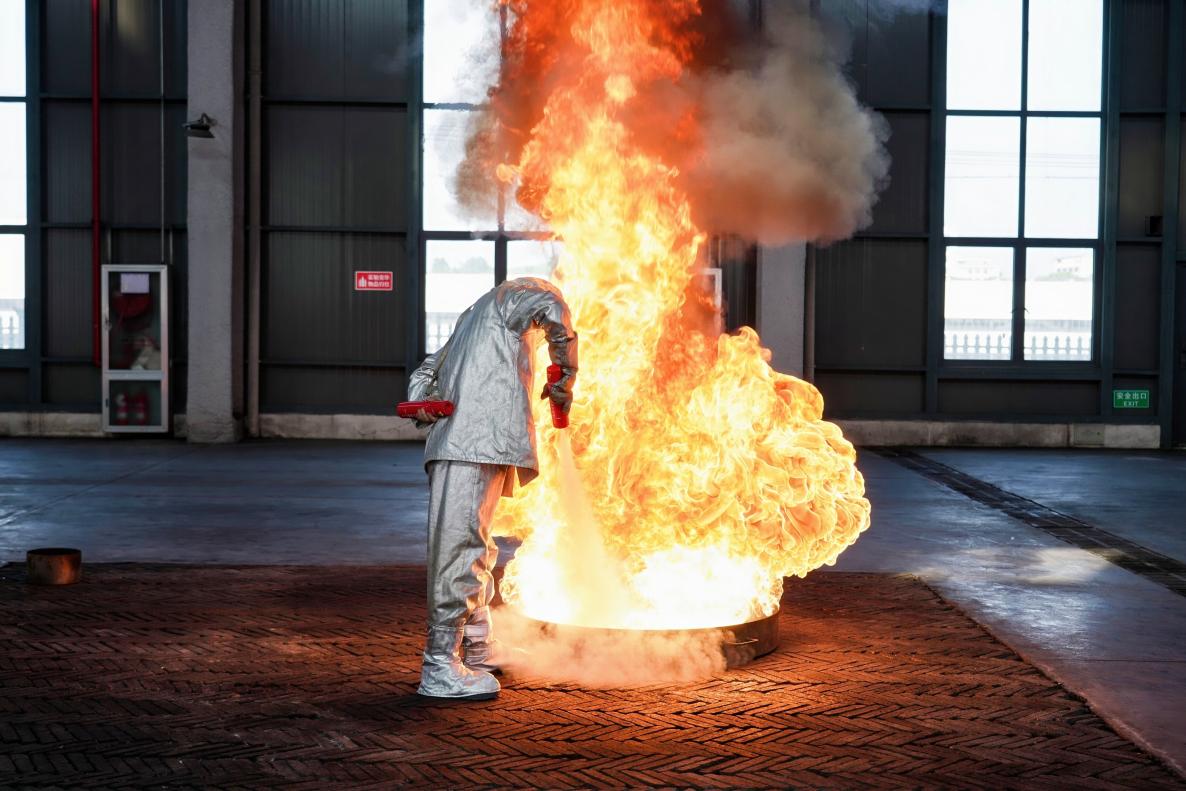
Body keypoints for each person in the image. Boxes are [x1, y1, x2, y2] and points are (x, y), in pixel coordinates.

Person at [404, 277, 577, 700]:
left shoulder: (472, 319)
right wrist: (564, 380)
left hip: (478, 443)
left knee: (477, 547)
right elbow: (554, 310)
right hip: (472, 444)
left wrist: (423, 403)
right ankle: (440, 666)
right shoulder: (516, 295)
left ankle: (479, 647)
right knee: (459, 552)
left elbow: (425, 372)